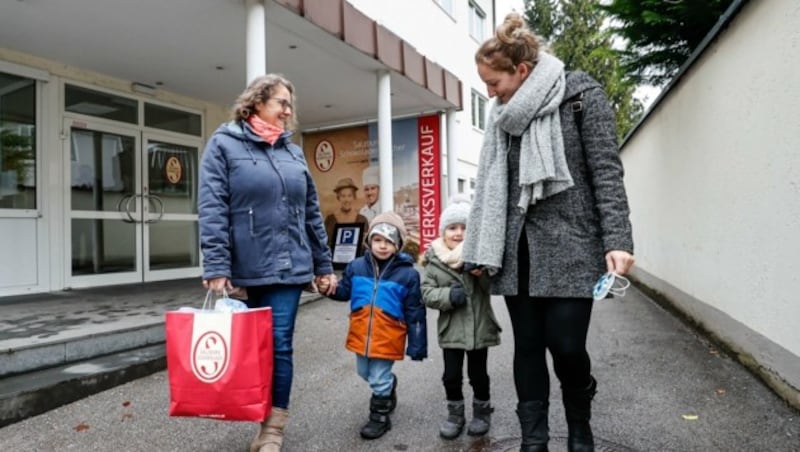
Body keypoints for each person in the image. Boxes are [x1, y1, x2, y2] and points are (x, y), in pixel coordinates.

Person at [464, 13, 635, 452]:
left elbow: (606, 173)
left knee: (566, 346)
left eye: (493, 82)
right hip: (516, 250)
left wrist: (617, 240)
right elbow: (492, 188)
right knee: (528, 346)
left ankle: (580, 424)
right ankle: (533, 440)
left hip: (573, 245)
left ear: (521, 71)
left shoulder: (581, 95)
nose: (490, 93)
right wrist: (480, 249)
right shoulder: (504, 117)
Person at [198, 73, 338, 452]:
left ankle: (272, 428)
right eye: (281, 102)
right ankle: (243, 405)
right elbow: (213, 208)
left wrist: (323, 265)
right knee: (244, 347)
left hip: (288, 266)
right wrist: (216, 266)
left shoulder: (292, 152)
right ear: (256, 102)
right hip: (243, 267)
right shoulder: (224, 144)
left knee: (279, 345)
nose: (288, 111)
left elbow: (310, 210)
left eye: (290, 104)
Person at [323, 211, 428, 440]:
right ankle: (388, 386)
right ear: (369, 240)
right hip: (360, 333)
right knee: (364, 372)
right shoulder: (356, 267)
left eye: (389, 241)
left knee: (378, 377)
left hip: (389, 335)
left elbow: (415, 311)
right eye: (378, 240)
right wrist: (327, 289)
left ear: (398, 244)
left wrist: (417, 344)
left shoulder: (408, 275)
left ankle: (379, 417)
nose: (382, 246)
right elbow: (344, 292)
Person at [420, 194, 502, 440]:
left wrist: (481, 274)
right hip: (451, 328)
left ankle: (481, 411)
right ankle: (455, 414)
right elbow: (426, 292)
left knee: (479, 374)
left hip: (479, 326)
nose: (458, 233)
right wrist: (447, 296)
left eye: (465, 228)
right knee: (451, 375)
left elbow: (493, 288)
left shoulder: (481, 256)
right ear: (443, 231)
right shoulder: (434, 260)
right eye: (453, 227)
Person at [324, 177, 369, 250]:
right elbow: (326, 244)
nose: (346, 199)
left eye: (349, 195)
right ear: (338, 197)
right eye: (343, 196)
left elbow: (366, 246)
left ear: (354, 197)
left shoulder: (362, 220)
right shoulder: (330, 220)